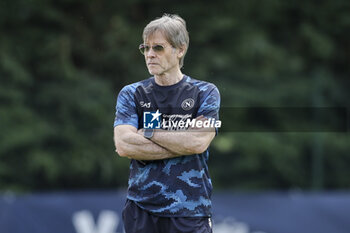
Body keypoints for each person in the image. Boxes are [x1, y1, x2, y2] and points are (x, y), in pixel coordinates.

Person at [113, 13, 220, 233]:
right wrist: (182, 143)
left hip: (189, 210)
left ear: (180, 50)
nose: (150, 55)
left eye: (158, 48)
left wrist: (149, 132)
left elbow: (197, 143)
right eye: (146, 48)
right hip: (141, 210)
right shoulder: (132, 93)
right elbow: (124, 145)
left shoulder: (205, 92)